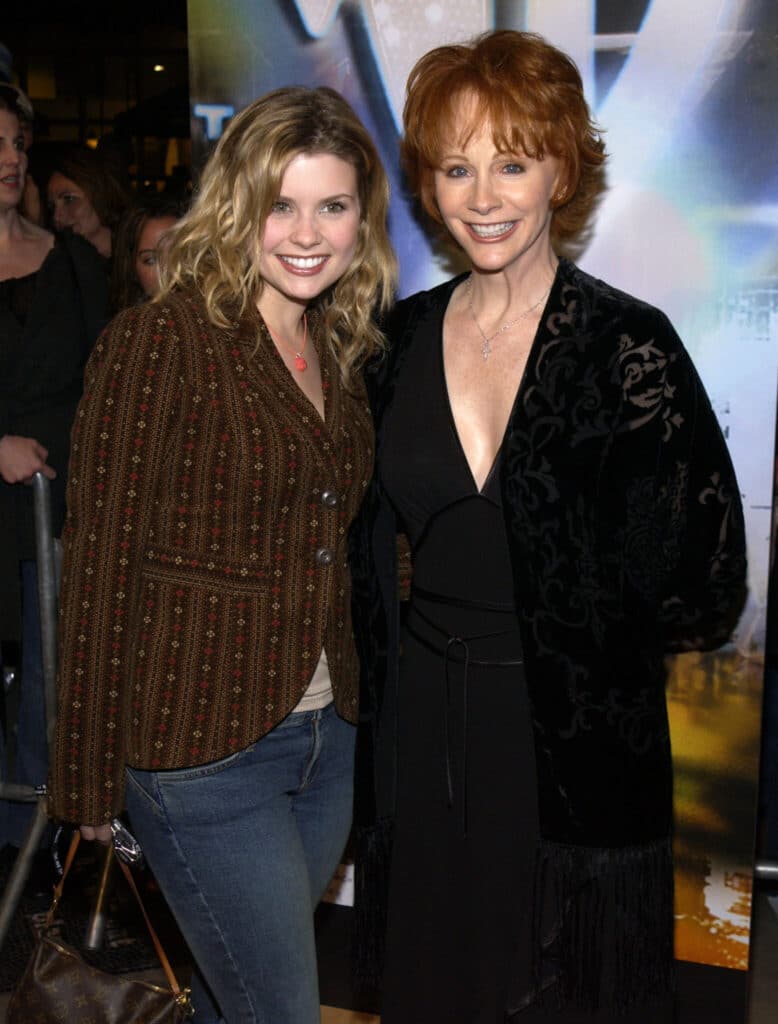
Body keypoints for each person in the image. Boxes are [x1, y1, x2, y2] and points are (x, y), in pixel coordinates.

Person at [350, 30, 748, 1024]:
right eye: (455, 166)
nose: (483, 195)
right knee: (437, 984)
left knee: (573, 996)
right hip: (424, 740)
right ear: (428, 186)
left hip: (575, 752)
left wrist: (588, 635)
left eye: (511, 162)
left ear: (559, 170)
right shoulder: (392, 344)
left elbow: (707, 579)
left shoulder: (627, 346)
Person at [50, 86, 396, 1023]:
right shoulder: (160, 343)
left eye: (332, 205)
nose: (307, 233)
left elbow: (335, 536)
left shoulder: (340, 341)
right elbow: (98, 565)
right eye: (280, 204)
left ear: (363, 217)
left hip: (328, 738)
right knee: (278, 1008)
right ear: (236, 204)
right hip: (200, 744)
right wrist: (83, 773)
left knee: (231, 993)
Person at [0, 85, 107, 846]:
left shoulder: (72, 263)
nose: (9, 159)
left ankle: (41, 867)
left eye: (16, 143)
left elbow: (110, 381)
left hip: (61, 514)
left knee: (54, 691)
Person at [46, 145, 128, 259]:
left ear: (100, 193)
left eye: (69, 199)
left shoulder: (136, 260)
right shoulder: (59, 264)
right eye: (52, 206)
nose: (56, 217)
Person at [109, 194, 186, 312]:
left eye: (177, 254)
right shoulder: (128, 327)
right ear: (132, 269)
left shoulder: (216, 318)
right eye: (151, 260)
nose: (168, 270)